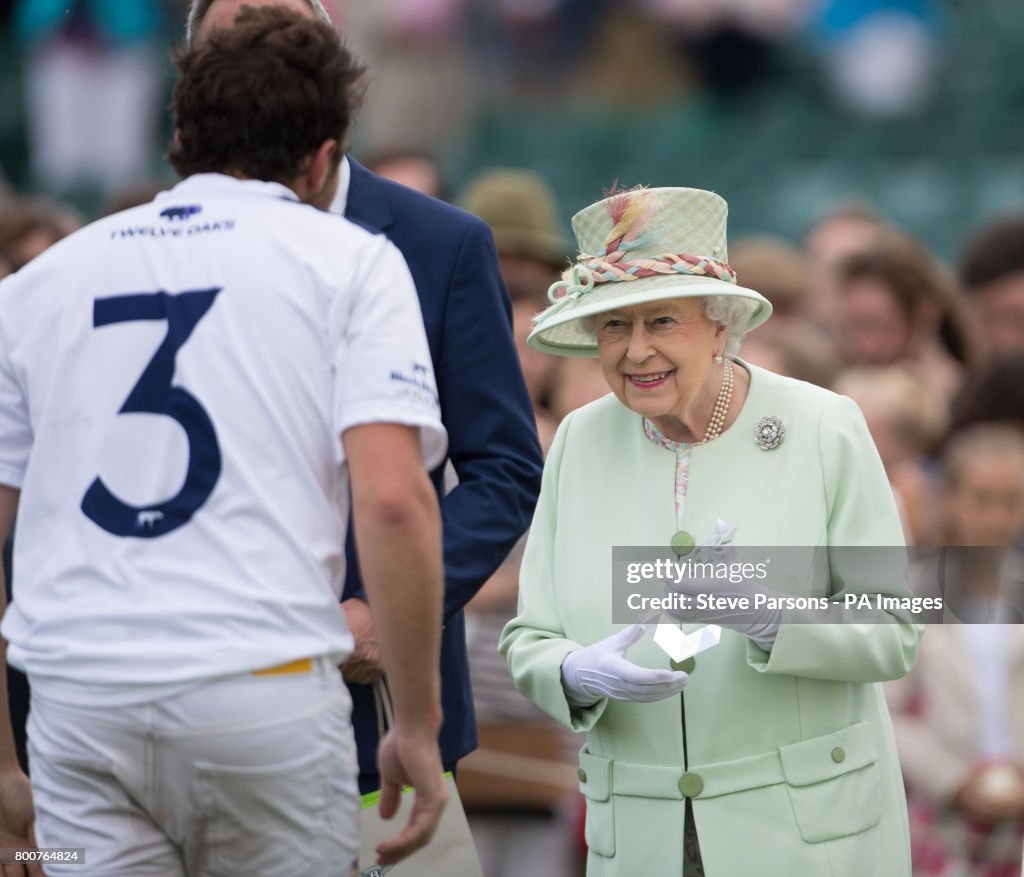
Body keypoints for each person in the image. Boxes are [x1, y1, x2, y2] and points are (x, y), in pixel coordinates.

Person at [0, 9, 448, 874]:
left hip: (77, 704)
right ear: (326, 157)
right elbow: (395, 499)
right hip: (262, 691)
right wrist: (418, 725)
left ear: (177, 133)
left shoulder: (40, 279)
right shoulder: (350, 261)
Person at [501, 185, 922, 876]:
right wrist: (573, 672)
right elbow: (531, 638)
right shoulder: (578, 440)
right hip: (642, 839)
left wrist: (772, 620)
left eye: (662, 321)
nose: (636, 352)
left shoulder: (824, 426)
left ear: (721, 325)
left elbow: (897, 627)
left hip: (805, 842)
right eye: (613, 326)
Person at [188, 0, 544, 797]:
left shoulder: (441, 243)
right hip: (197, 697)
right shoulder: (153, 249)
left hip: (377, 709)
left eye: (284, 38)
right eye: (233, 45)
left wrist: (392, 607)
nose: (258, 61)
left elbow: (506, 467)